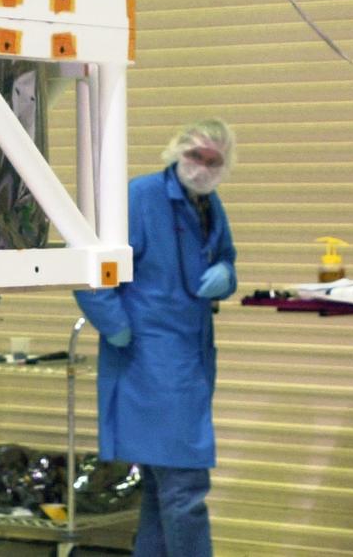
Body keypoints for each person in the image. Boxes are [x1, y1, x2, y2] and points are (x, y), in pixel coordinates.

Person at [75, 117, 238, 557]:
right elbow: (89, 274)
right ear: (176, 151)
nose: (202, 167)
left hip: (189, 359)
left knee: (160, 494)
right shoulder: (141, 198)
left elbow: (225, 257)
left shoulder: (207, 204)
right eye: (195, 156)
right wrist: (117, 326)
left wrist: (227, 274)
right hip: (150, 363)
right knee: (184, 490)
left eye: (213, 160)